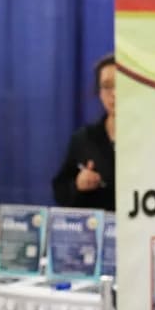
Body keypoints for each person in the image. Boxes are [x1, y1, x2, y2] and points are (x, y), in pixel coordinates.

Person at [52, 54, 116, 211]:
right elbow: (61, 190)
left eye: (123, 85)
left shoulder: (151, 138)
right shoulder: (84, 139)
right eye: (107, 86)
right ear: (99, 92)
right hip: (97, 224)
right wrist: (78, 185)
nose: (115, 93)